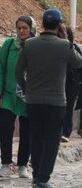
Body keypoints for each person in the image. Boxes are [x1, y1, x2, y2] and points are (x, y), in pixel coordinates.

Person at [15, 9, 82, 187]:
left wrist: (26, 88)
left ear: (43, 24)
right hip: (56, 102)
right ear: (59, 25)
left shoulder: (29, 44)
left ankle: (36, 174)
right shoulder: (63, 45)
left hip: (33, 101)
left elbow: (17, 71)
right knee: (52, 140)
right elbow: (79, 62)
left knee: (36, 137)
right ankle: (44, 178)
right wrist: (68, 41)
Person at [0, 16, 35, 178]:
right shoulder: (9, 46)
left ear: (31, 29)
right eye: (19, 28)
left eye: (25, 28)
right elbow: (1, 69)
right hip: (8, 94)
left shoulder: (36, 46)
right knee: (5, 128)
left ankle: (22, 165)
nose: (21, 31)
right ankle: (5, 163)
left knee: (27, 131)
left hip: (28, 97)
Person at [62, 27, 82, 142]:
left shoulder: (74, 48)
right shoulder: (54, 48)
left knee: (68, 108)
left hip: (72, 83)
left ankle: (66, 132)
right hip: (58, 82)